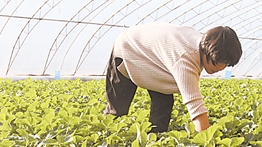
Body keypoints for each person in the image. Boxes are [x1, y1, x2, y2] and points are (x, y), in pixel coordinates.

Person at [104, 22, 243, 133]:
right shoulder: (185, 58)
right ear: (208, 51)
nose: (220, 68)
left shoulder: (205, 44)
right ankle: (107, 135)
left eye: (226, 64)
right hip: (129, 47)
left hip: (157, 59)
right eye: (217, 61)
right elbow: (194, 104)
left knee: (163, 108)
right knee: (118, 108)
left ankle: (155, 142)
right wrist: (208, 141)